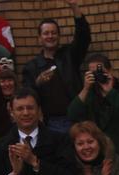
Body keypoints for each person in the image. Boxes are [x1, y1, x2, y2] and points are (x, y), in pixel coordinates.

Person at [22, 1, 90, 134]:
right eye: (46, 33)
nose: (50, 36)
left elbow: (83, 36)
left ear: (59, 36)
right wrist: (38, 82)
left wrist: (74, 7)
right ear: (39, 38)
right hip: (50, 123)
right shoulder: (31, 67)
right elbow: (26, 96)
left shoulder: (70, 55)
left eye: (53, 33)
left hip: (76, 119)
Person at [66, 53, 119, 170]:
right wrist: (85, 89)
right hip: (99, 158)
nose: (98, 76)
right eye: (93, 73)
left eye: (100, 71)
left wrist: (110, 92)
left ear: (110, 71)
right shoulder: (89, 93)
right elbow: (72, 114)